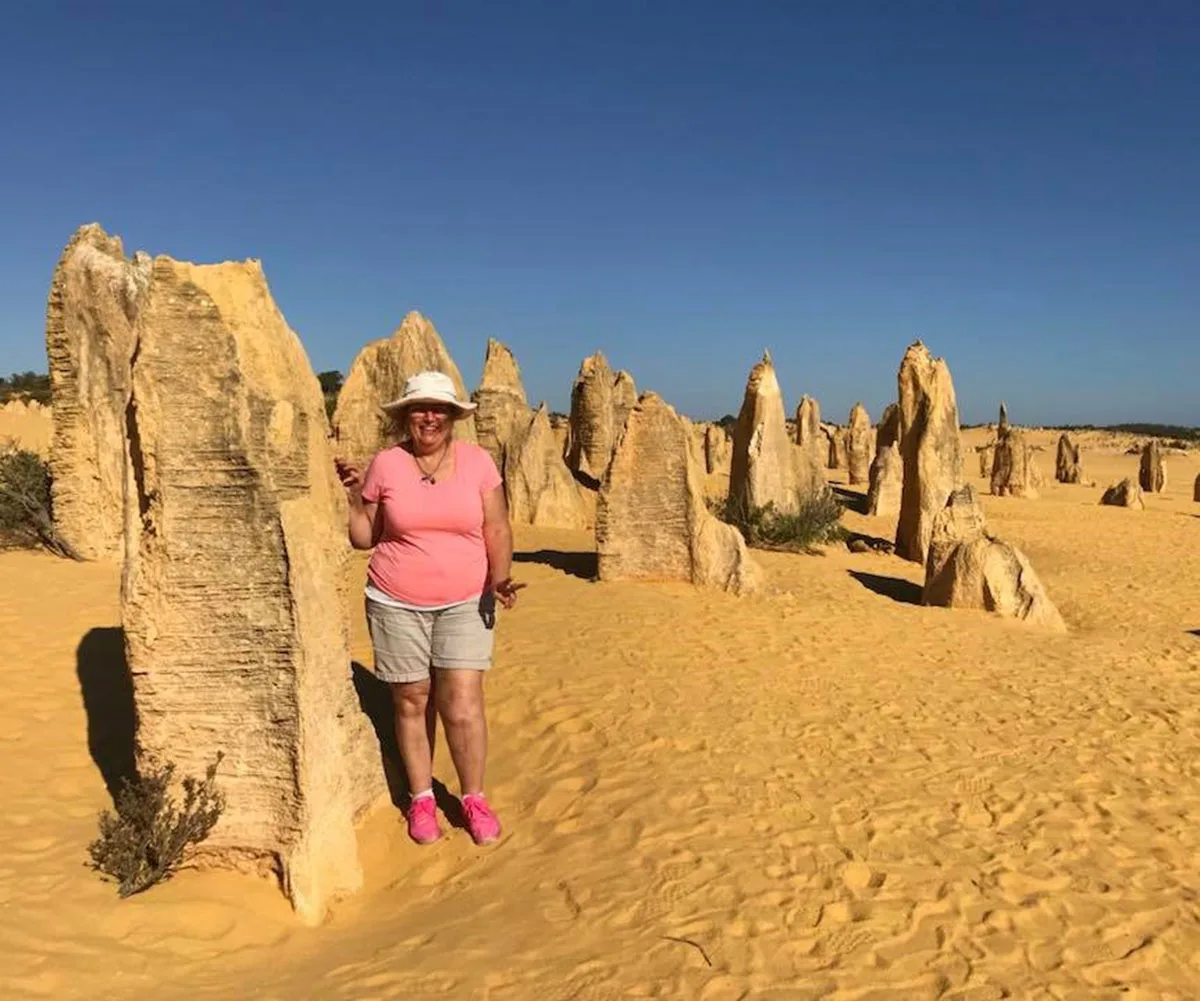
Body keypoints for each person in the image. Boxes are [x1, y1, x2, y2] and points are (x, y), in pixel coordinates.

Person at [335, 370, 524, 846]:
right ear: (406, 415)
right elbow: (365, 537)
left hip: (466, 600)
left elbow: (497, 527)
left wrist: (500, 576)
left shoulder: (478, 463)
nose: (429, 417)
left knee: (462, 702)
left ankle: (473, 797)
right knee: (411, 699)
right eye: (420, 408)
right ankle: (421, 798)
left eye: (439, 409)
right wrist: (353, 497)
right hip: (394, 602)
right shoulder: (387, 464)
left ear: (453, 416)